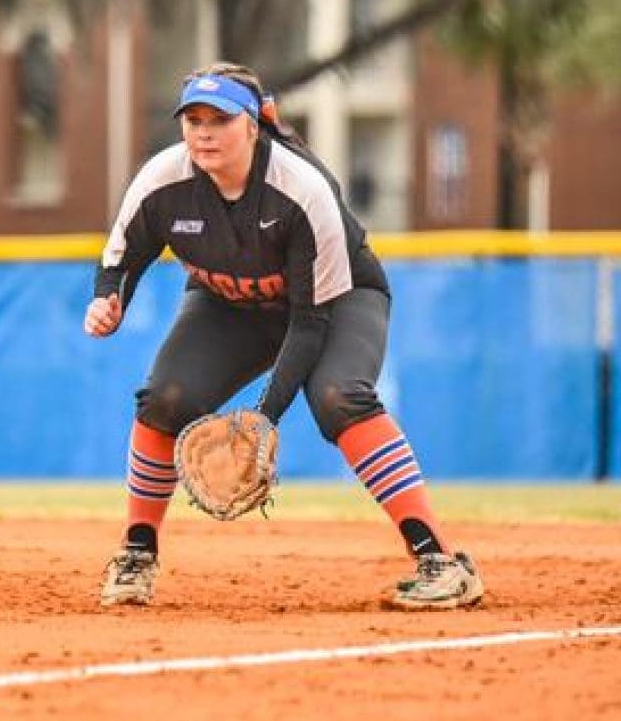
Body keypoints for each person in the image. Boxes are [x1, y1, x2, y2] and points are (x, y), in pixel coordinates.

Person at [84, 62, 484, 611]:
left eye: (219, 118)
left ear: (252, 125)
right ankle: (136, 555)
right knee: (164, 400)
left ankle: (440, 560)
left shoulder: (300, 190)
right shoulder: (164, 179)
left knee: (339, 397)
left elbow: (309, 322)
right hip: (229, 305)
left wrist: (265, 416)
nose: (203, 131)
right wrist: (111, 299)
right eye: (193, 118)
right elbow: (122, 256)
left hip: (335, 300)